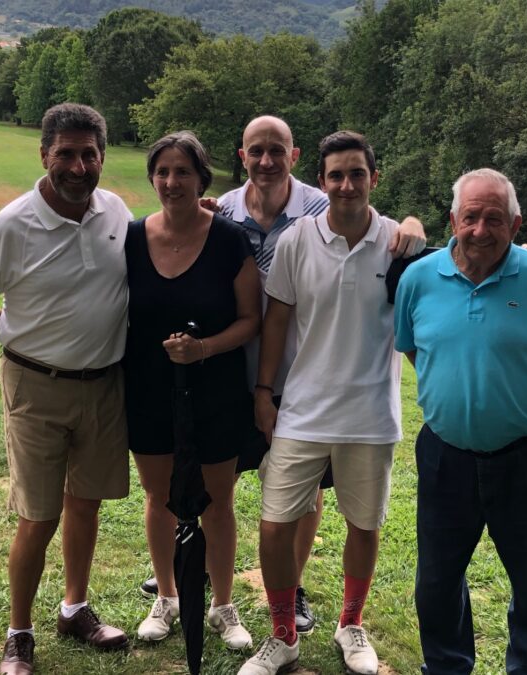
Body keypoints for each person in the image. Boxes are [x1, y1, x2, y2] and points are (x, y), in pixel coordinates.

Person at [139, 115, 426, 634]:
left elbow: (372, 220)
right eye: (256, 151)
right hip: (228, 368)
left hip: (301, 375)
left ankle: (289, 593)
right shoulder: (221, 210)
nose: (266, 160)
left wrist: (411, 225)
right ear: (242, 156)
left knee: (303, 491)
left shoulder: (321, 205)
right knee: (208, 484)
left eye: (277, 150)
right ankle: (187, 580)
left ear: (294, 158)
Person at [0, 103, 131, 675]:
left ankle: (74, 609)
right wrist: (16, 329)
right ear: (44, 155)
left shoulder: (115, 209)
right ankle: (19, 634)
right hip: (36, 386)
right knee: (39, 514)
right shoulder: (9, 226)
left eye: (89, 154)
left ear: (101, 156)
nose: (79, 167)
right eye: (66, 154)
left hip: (103, 384)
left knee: (86, 504)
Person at [394, 168, 527, 675]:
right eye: (470, 217)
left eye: (493, 218)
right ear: (452, 219)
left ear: (515, 224)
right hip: (444, 456)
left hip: (526, 457)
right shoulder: (418, 279)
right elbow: (414, 350)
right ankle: (448, 667)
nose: (480, 229)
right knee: (436, 582)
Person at [238, 131, 403, 675]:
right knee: (274, 523)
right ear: (322, 181)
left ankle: (350, 624)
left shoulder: (399, 245)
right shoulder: (297, 239)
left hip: (371, 415)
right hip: (302, 409)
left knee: (364, 525)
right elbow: (277, 321)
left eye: (357, 173)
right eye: (336, 175)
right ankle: (283, 636)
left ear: (374, 179)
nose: (347, 184)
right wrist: (265, 392)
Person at [124, 131, 261, 651]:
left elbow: (251, 320)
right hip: (149, 387)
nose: (171, 181)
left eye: (183, 171)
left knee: (216, 502)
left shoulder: (229, 240)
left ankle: (223, 605)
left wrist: (203, 349)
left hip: (216, 388)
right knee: (159, 498)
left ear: (202, 178)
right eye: (162, 171)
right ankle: (168, 595)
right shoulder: (133, 237)